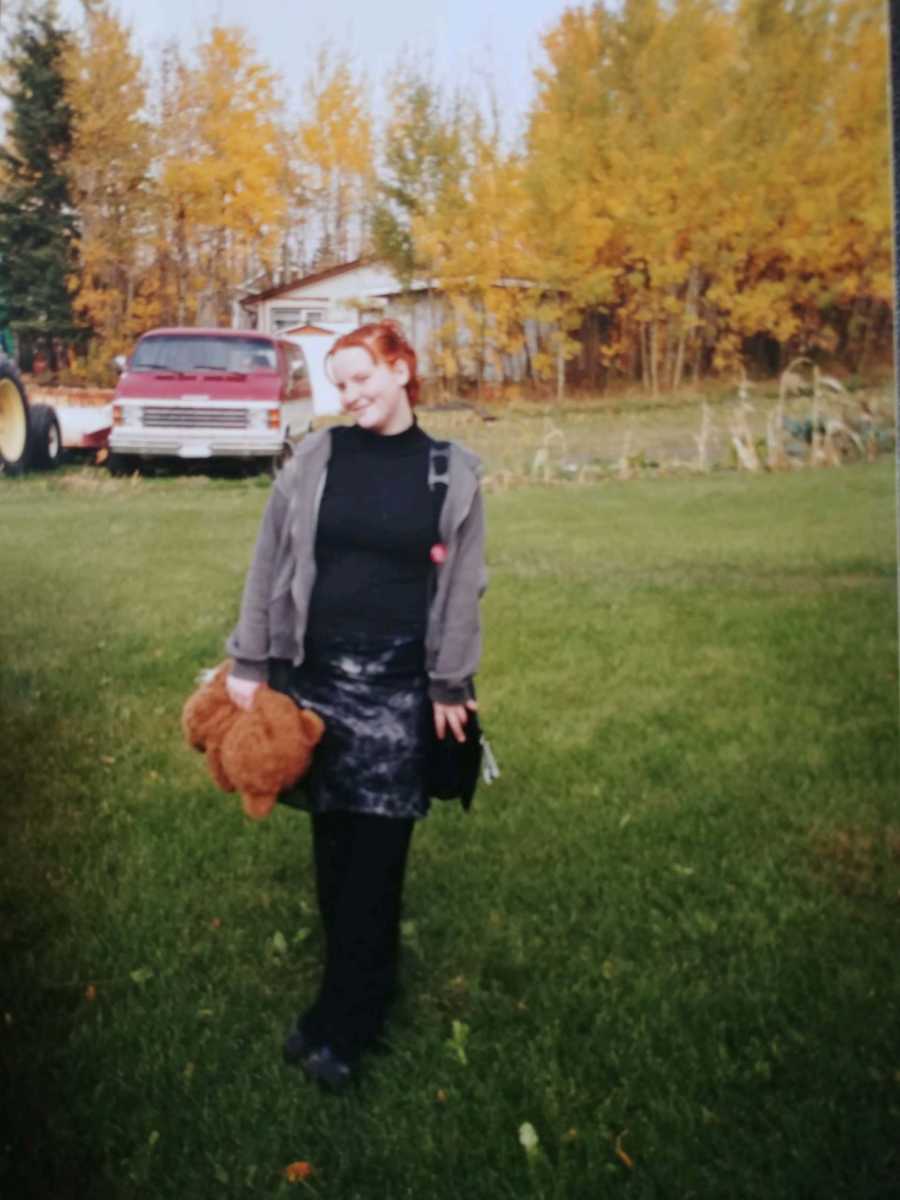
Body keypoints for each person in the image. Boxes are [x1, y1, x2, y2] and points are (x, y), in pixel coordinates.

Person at [224, 320, 486, 1090]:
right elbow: (270, 556)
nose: (351, 394)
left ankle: (347, 1024)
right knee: (334, 857)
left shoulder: (450, 472)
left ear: (402, 369)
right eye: (340, 382)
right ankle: (354, 991)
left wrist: (450, 685)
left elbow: (463, 588)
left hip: (400, 692)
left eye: (363, 376)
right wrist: (251, 657)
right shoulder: (316, 457)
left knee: (377, 863)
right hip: (316, 686)